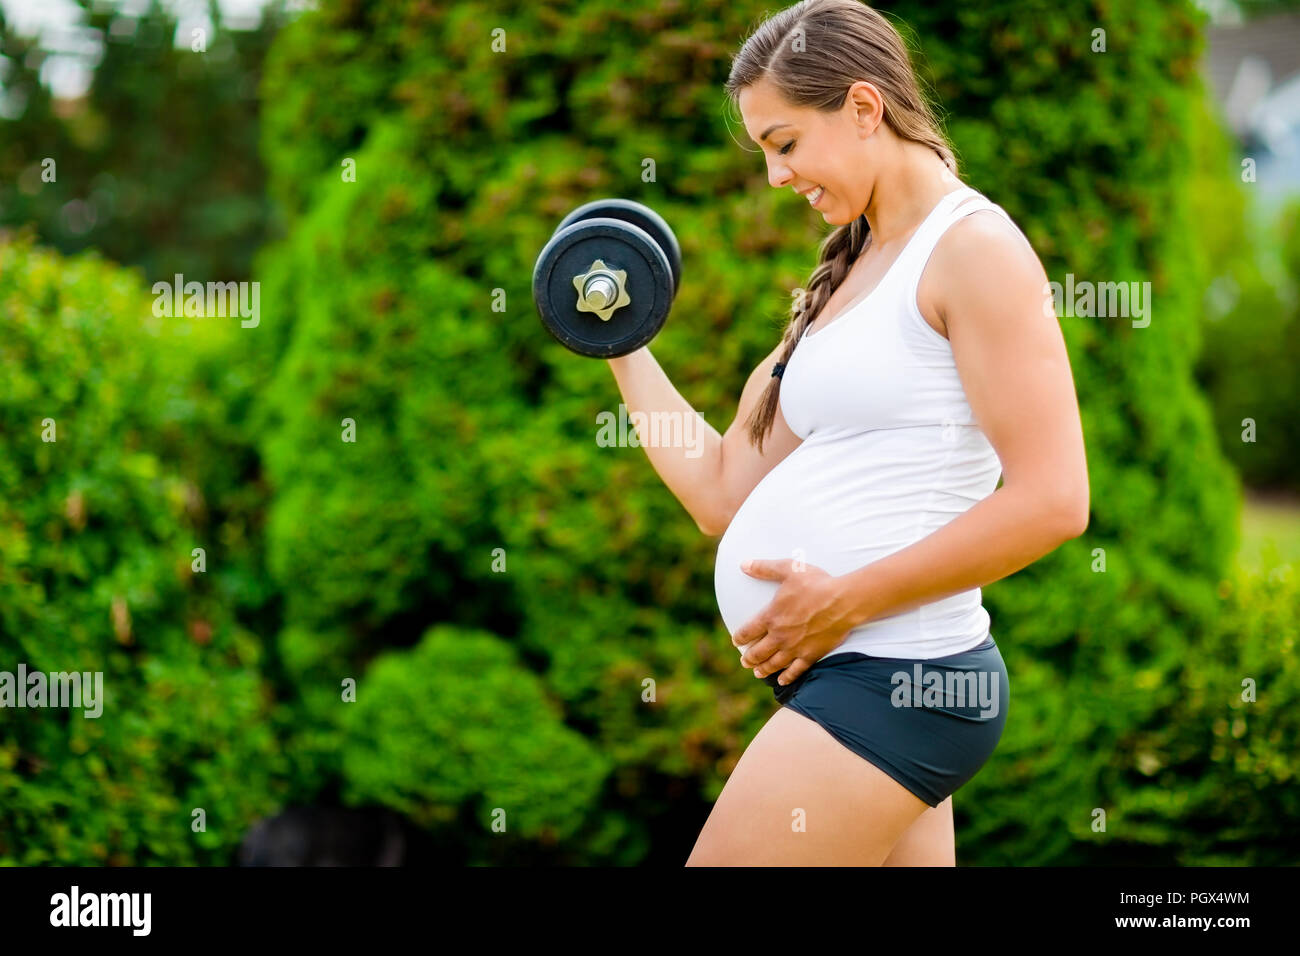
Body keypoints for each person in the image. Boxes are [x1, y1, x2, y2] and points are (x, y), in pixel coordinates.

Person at [606, 0, 1089, 865]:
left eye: (784, 144)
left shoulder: (973, 250)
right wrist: (620, 342)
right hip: (859, 677)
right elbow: (720, 490)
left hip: (901, 678)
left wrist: (845, 600)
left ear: (864, 108)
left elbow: (1055, 501)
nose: (774, 177)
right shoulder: (847, 272)